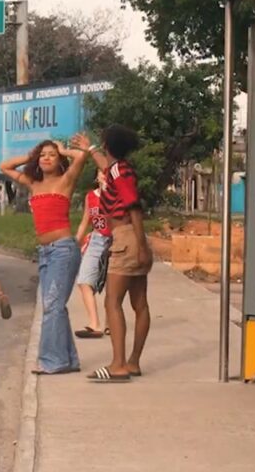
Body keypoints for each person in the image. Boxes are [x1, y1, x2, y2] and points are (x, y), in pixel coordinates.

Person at [0, 137, 91, 375]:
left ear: (59, 160)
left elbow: (81, 157)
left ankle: (52, 361)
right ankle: (68, 360)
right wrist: (30, 156)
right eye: (43, 155)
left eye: (52, 154)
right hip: (45, 253)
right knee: (54, 306)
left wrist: (64, 149)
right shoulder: (33, 183)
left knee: (53, 306)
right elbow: (5, 167)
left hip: (63, 250)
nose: (47, 158)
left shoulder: (65, 181)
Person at [75, 128, 152, 383]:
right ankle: (133, 362)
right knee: (140, 304)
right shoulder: (120, 169)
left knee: (112, 302)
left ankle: (118, 365)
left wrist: (141, 245)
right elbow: (106, 167)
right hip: (131, 238)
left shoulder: (118, 171)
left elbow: (134, 207)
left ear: (107, 144)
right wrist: (90, 149)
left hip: (125, 239)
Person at [73, 170, 112, 339]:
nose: (104, 176)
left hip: (115, 240)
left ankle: (111, 323)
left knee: (112, 286)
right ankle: (94, 323)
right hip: (96, 239)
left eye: (107, 173)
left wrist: (108, 193)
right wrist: (75, 243)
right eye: (101, 172)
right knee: (84, 280)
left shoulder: (117, 195)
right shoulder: (90, 196)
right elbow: (85, 221)